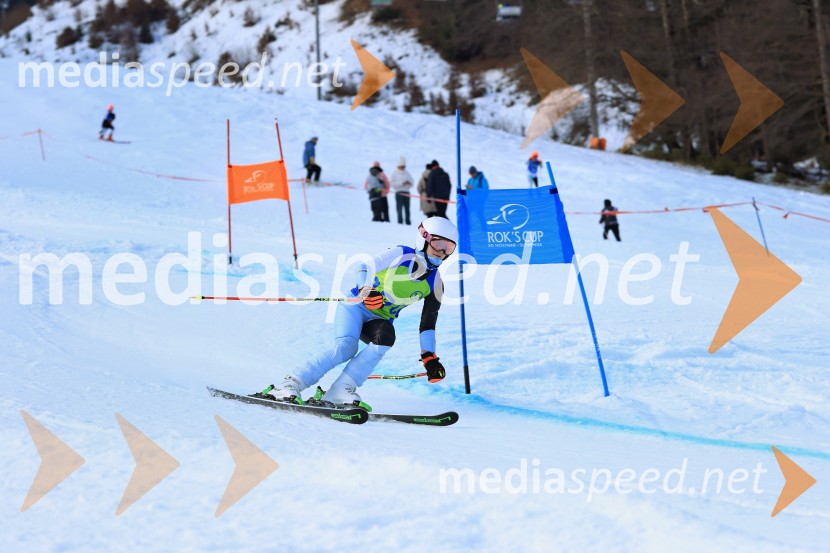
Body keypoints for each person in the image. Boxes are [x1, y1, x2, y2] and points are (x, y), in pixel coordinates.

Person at [258, 217, 459, 410]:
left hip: (378, 319)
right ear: (423, 239)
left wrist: (429, 357)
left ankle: (340, 390)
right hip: (355, 307)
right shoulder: (401, 254)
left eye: (448, 248)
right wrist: (366, 290)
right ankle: (290, 384)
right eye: (438, 244)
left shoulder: (436, 283)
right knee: (346, 348)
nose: (442, 252)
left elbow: (428, 324)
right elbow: (365, 267)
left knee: (386, 337)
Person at [390, 156, 414, 225]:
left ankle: (408, 222)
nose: (403, 168)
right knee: (399, 208)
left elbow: (412, 182)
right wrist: (401, 183)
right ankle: (400, 222)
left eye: (403, 166)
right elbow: (392, 184)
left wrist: (408, 183)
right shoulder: (394, 173)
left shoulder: (407, 173)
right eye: (401, 166)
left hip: (407, 192)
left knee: (407, 208)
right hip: (399, 193)